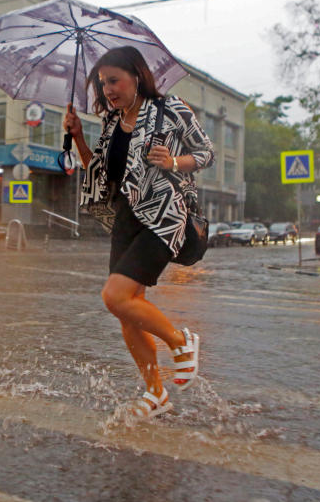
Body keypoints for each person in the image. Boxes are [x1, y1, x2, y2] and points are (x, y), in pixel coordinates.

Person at [63, 46, 215, 419]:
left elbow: (206, 152)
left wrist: (175, 161)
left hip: (164, 215)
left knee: (115, 297)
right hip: (126, 218)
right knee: (128, 313)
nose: (108, 90)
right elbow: (99, 173)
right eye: (103, 84)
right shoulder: (113, 122)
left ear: (136, 76)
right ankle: (156, 393)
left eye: (113, 80)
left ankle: (181, 341)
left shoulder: (171, 108)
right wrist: (79, 136)